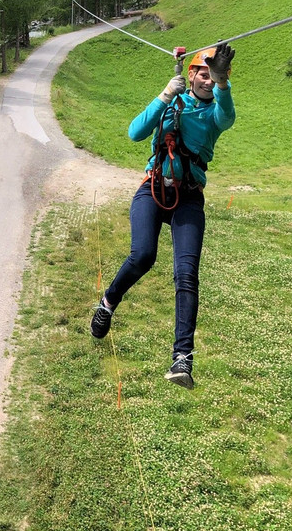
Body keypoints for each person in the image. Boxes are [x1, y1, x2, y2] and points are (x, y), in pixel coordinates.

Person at [90, 43, 236, 390]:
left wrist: (223, 84)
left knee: (186, 273)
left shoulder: (215, 112)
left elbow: (227, 116)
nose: (206, 81)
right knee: (143, 255)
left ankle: (182, 358)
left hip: (188, 198)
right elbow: (135, 132)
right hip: (154, 187)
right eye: (202, 74)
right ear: (191, 75)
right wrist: (165, 93)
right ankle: (108, 302)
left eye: (212, 76)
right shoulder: (172, 101)